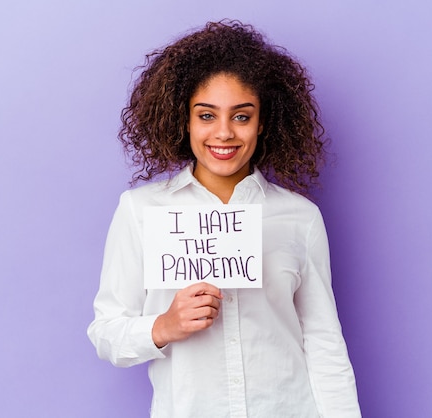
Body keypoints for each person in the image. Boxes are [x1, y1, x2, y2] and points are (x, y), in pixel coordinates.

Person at [87, 20, 361, 418]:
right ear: (185, 120)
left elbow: (323, 341)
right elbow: (106, 332)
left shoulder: (300, 217)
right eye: (207, 115)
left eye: (242, 116)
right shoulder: (141, 211)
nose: (224, 133)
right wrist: (164, 326)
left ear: (262, 122)